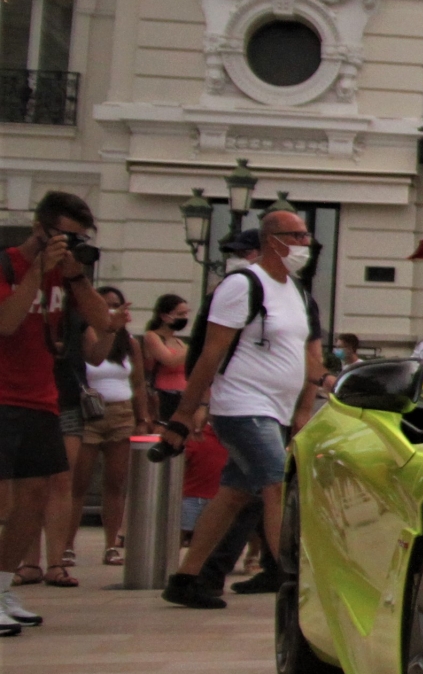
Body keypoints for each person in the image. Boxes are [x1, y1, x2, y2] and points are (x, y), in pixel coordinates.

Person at [159, 207, 326, 610]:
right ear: (274, 240)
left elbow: (309, 355)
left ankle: (186, 577)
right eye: (299, 236)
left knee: (235, 492)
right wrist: (186, 410)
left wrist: (306, 404)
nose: (307, 245)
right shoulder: (242, 285)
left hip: (276, 409)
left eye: (307, 237)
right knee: (276, 483)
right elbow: (209, 353)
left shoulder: (299, 292)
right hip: (242, 404)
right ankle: (293, 580)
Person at [0, 193, 115, 632]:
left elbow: (103, 324)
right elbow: (7, 322)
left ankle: (3, 586)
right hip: (3, 396)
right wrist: (38, 270)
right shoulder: (9, 265)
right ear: (40, 228)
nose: (71, 244)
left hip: (42, 398)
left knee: (34, 499)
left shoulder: (66, 277)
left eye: (79, 239)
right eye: (65, 236)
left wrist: (77, 278)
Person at [67, 286, 139, 574]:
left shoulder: (129, 342)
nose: (110, 310)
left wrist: (144, 416)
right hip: (90, 412)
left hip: (122, 411)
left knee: (116, 483)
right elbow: (89, 361)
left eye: (115, 305)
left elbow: (139, 382)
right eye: (105, 304)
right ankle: (67, 545)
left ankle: (111, 544)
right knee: (78, 484)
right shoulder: (85, 334)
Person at [143, 293, 191, 426]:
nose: (185, 318)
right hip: (164, 395)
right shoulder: (152, 336)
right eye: (180, 314)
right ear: (165, 316)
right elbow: (170, 360)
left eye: (186, 314)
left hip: (183, 395)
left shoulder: (180, 342)